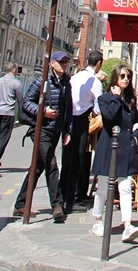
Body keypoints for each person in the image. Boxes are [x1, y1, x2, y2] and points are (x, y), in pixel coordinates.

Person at [13, 51, 72, 222]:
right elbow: (26, 103)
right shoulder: (42, 81)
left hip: (56, 130)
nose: (64, 65)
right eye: (61, 62)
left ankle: (20, 203)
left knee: (38, 167)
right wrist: (43, 111)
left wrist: (67, 130)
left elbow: (68, 108)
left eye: (66, 62)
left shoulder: (66, 83)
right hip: (41, 130)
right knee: (51, 165)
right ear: (52, 63)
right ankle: (57, 205)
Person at [90, 64, 138, 244]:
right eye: (122, 76)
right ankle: (97, 219)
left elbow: (134, 121)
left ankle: (127, 225)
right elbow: (109, 117)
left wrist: (135, 134)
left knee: (125, 186)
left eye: (128, 76)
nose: (125, 79)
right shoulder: (105, 98)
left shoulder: (131, 100)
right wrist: (115, 98)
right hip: (109, 148)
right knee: (103, 186)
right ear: (115, 79)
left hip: (125, 148)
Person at [60, 50, 103, 213]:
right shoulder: (94, 81)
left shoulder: (75, 77)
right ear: (98, 63)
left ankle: (64, 196)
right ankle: (73, 198)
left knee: (67, 160)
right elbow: (98, 107)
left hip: (69, 120)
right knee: (78, 160)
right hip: (82, 121)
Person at [0, 61, 23, 165]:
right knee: (3, 138)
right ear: (14, 70)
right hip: (8, 113)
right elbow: (20, 100)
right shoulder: (16, 83)